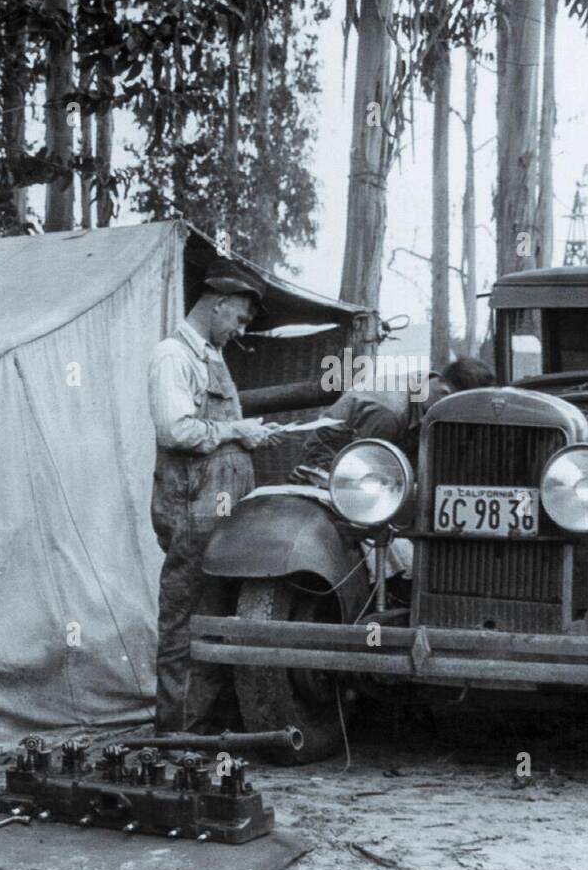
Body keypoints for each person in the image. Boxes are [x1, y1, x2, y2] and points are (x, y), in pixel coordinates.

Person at [148, 257, 280, 733]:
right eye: (240, 319)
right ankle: (175, 733)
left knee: (213, 615)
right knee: (185, 622)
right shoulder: (173, 357)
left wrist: (242, 436)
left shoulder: (210, 355)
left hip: (218, 513)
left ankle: (202, 726)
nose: (241, 330)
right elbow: (176, 430)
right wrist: (235, 430)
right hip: (191, 511)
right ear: (219, 305)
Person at [298, 356, 497, 474]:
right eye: (462, 409)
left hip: (381, 454)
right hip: (329, 463)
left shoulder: (429, 386)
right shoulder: (390, 411)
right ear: (445, 393)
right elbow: (364, 468)